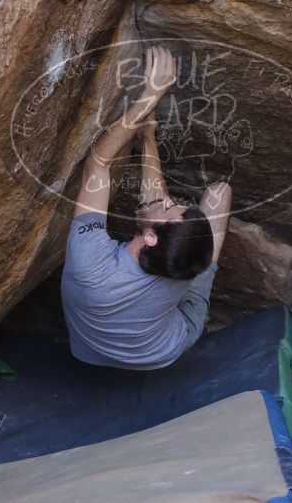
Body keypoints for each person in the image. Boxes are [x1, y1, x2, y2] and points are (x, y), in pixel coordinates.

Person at [60, 45, 232, 370]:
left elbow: (97, 166)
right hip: (157, 355)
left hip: (100, 349)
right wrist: (147, 138)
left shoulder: (90, 262)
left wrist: (150, 95)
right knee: (220, 194)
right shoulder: (179, 265)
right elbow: (154, 206)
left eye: (168, 209)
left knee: (214, 202)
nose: (168, 199)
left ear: (151, 238)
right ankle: (197, 249)